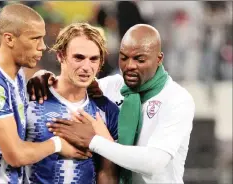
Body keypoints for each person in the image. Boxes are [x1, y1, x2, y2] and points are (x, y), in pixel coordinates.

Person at [0, 22, 119, 184]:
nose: (86, 67)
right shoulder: (30, 97)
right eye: (79, 58)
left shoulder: (107, 111)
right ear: (60, 55)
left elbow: (107, 173)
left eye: (93, 59)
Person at [31, 24, 195, 184]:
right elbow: (74, 81)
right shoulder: (113, 86)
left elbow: (154, 163)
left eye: (139, 59)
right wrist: (42, 77)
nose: (129, 66)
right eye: (124, 57)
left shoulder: (177, 99)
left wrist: (94, 140)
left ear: (159, 59)